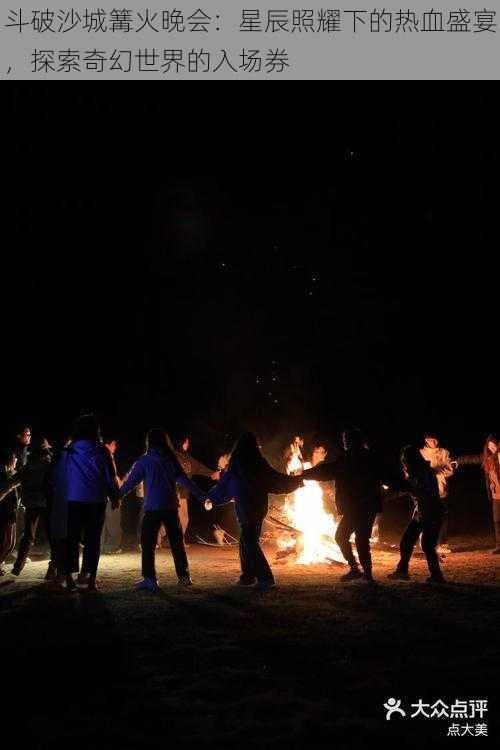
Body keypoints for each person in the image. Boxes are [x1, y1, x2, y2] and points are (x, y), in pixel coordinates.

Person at [208, 433, 303, 589]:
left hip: (246, 508)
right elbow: (275, 480)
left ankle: (265, 578)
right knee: (246, 541)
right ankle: (248, 576)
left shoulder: (237, 464)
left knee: (249, 542)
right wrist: (295, 482)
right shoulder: (258, 463)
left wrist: (210, 497)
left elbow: (225, 486)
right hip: (257, 508)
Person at [120, 428, 208, 591]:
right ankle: (184, 577)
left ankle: (150, 578)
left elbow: (130, 482)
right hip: (170, 507)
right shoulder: (171, 459)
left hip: (152, 508)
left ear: (149, 442)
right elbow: (185, 481)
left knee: (148, 544)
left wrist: (117, 495)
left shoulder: (145, 460)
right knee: (177, 543)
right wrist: (202, 496)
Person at [303, 429, 394, 582]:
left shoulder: (354, 459)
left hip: (361, 507)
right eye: (344, 439)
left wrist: (305, 474)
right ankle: (360, 571)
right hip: (361, 506)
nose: (344, 442)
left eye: (347, 439)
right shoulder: (356, 458)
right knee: (348, 538)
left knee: (354, 538)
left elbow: (327, 471)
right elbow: (326, 470)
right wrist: (306, 474)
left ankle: (363, 573)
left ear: (354, 441)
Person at [52, 414, 120, 592]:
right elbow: (110, 477)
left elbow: (60, 476)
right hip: (95, 500)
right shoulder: (102, 450)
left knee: (71, 539)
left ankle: (67, 578)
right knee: (92, 540)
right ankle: (88, 580)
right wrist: (115, 497)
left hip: (72, 500)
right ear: (95, 430)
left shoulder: (69, 450)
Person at [388, 445, 446, 583]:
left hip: (431, 512)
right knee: (407, 541)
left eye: (405, 460)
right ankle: (402, 571)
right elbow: (407, 488)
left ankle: (436, 576)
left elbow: (419, 490)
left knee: (427, 544)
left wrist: (399, 487)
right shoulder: (419, 472)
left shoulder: (422, 473)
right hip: (422, 513)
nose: (404, 463)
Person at [11, 436, 57, 580]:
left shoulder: (27, 467)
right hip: (46, 503)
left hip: (31, 504)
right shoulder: (48, 465)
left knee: (28, 535)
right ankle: (52, 568)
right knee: (53, 536)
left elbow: (13, 481)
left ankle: (18, 565)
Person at [420, 431, 457, 553]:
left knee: (443, 517)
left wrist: (438, 471)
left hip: (441, 489)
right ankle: (426, 542)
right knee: (426, 516)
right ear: (426, 440)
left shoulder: (444, 452)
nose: (433, 442)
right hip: (426, 490)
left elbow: (450, 469)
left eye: (435, 439)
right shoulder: (421, 453)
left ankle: (442, 543)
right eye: (431, 440)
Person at [175, 435, 216, 541]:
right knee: (175, 517)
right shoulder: (173, 456)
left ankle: (175, 540)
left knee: (183, 518)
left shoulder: (188, 458)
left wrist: (213, 474)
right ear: (181, 443)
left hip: (183, 493)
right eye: (186, 442)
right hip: (173, 491)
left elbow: (199, 467)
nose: (188, 444)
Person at [101, 436, 123, 554]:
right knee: (113, 521)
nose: (115, 447)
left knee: (103, 522)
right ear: (109, 444)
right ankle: (111, 546)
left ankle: (101, 546)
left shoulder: (98, 455)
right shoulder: (107, 456)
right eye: (114, 445)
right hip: (109, 495)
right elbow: (111, 477)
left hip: (99, 495)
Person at [0, 449, 19, 576]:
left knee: (11, 543)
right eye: (14, 457)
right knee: (6, 543)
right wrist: (11, 486)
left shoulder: (10, 473)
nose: (16, 459)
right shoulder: (2, 475)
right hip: (3, 512)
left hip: (11, 511)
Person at [481, 434, 500, 553]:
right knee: (497, 520)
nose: (492, 448)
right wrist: (458, 460)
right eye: (489, 447)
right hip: (496, 495)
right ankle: (499, 545)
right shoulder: (489, 460)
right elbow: (472, 459)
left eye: (493, 445)